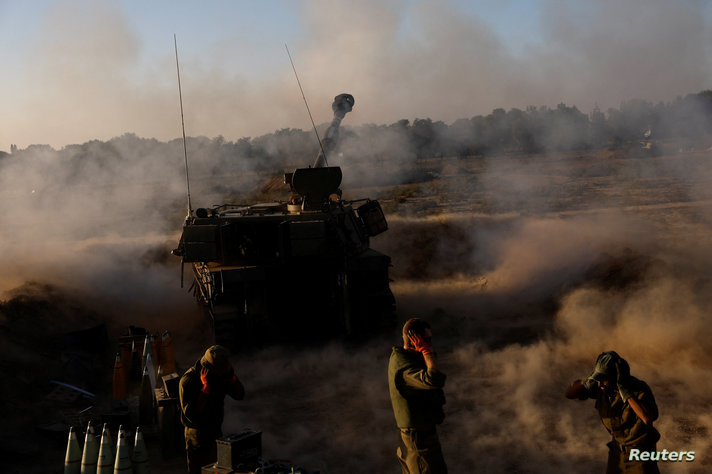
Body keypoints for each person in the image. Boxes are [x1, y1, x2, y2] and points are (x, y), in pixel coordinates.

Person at [565, 351, 660, 474]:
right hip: (617, 452)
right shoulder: (601, 388)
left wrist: (625, 391)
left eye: (604, 379)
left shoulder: (638, 390)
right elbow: (569, 394)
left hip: (640, 453)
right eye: (598, 379)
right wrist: (588, 379)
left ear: (616, 377)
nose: (600, 384)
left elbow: (647, 418)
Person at [388, 318, 448, 474]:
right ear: (415, 340)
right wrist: (427, 352)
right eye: (427, 340)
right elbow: (433, 379)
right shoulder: (405, 370)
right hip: (418, 442)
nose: (430, 344)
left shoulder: (408, 359)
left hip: (421, 438)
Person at [179, 345, 245, 474]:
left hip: (215, 430)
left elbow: (239, 395)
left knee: (216, 469)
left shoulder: (220, 376)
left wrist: (233, 379)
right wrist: (205, 390)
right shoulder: (189, 380)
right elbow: (191, 414)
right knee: (198, 470)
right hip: (197, 436)